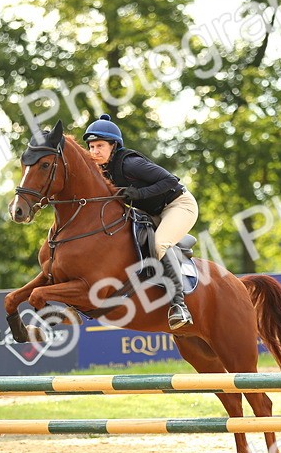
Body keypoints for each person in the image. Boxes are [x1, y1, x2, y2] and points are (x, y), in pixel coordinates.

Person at [82, 114, 198, 330]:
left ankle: (179, 306)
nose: (94, 152)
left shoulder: (130, 163)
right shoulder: (101, 170)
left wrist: (139, 193)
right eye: (91, 147)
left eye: (99, 146)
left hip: (178, 205)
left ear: (113, 146)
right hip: (149, 212)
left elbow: (171, 180)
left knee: (159, 243)